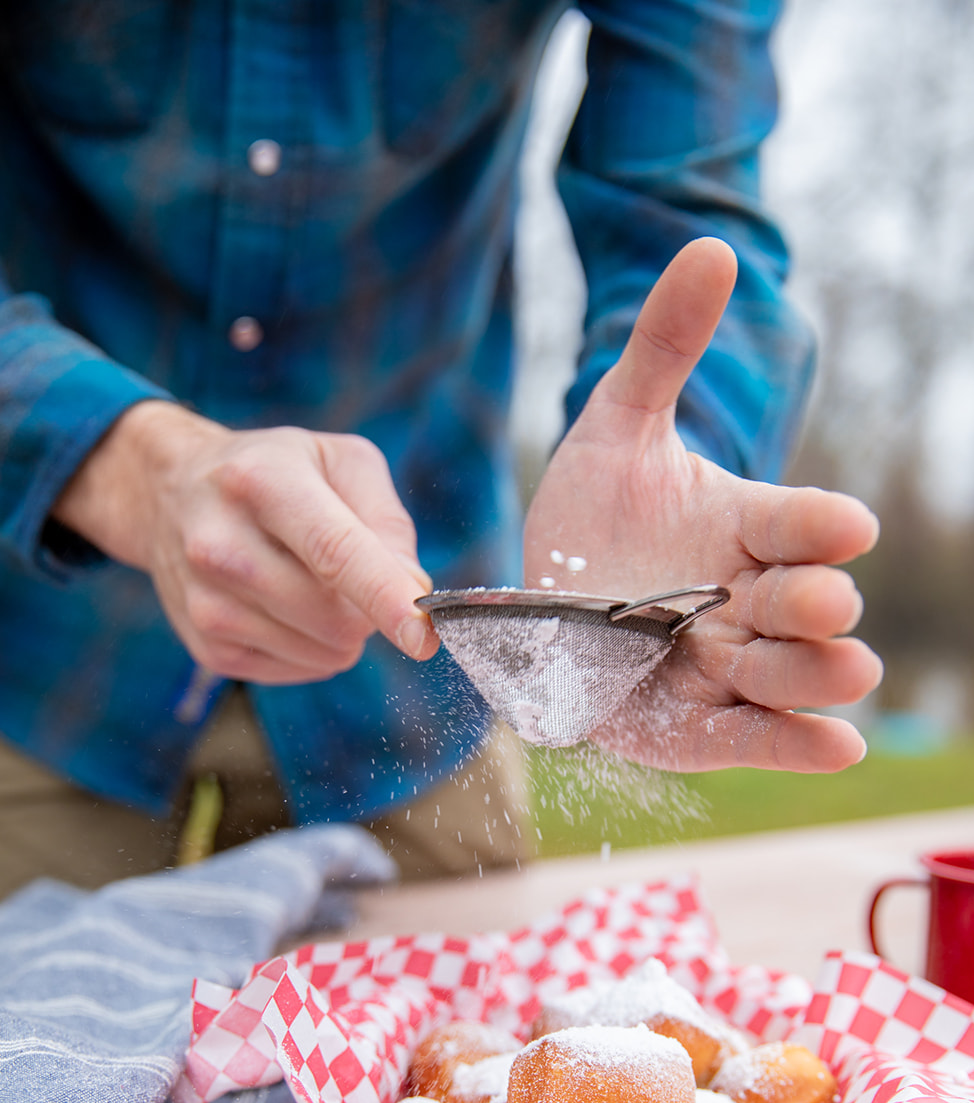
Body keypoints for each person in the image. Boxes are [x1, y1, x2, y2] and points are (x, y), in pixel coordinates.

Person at [0, 2, 881, 899]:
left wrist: (676, 444)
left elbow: (688, 192)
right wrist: (123, 468)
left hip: (423, 684)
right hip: (44, 641)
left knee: (452, 1027)